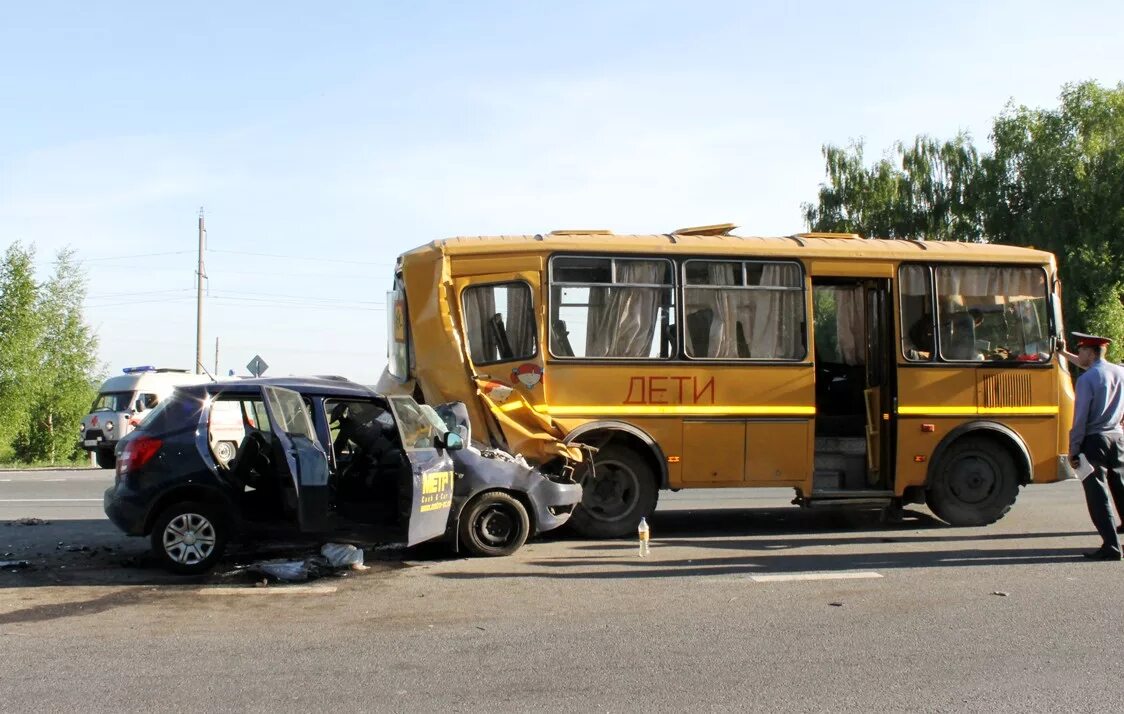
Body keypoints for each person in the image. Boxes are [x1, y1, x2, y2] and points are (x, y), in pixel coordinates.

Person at [1066, 332, 1124, 560]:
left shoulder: (1086, 380)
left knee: (1097, 493)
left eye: (1080, 350)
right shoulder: (1120, 372)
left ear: (1090, 353)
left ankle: (1111, 546)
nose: (1078, 354)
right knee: (1120, 487)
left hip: (1094, 440)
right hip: (1117, 438)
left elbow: (1080, 418)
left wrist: (1074, 448)